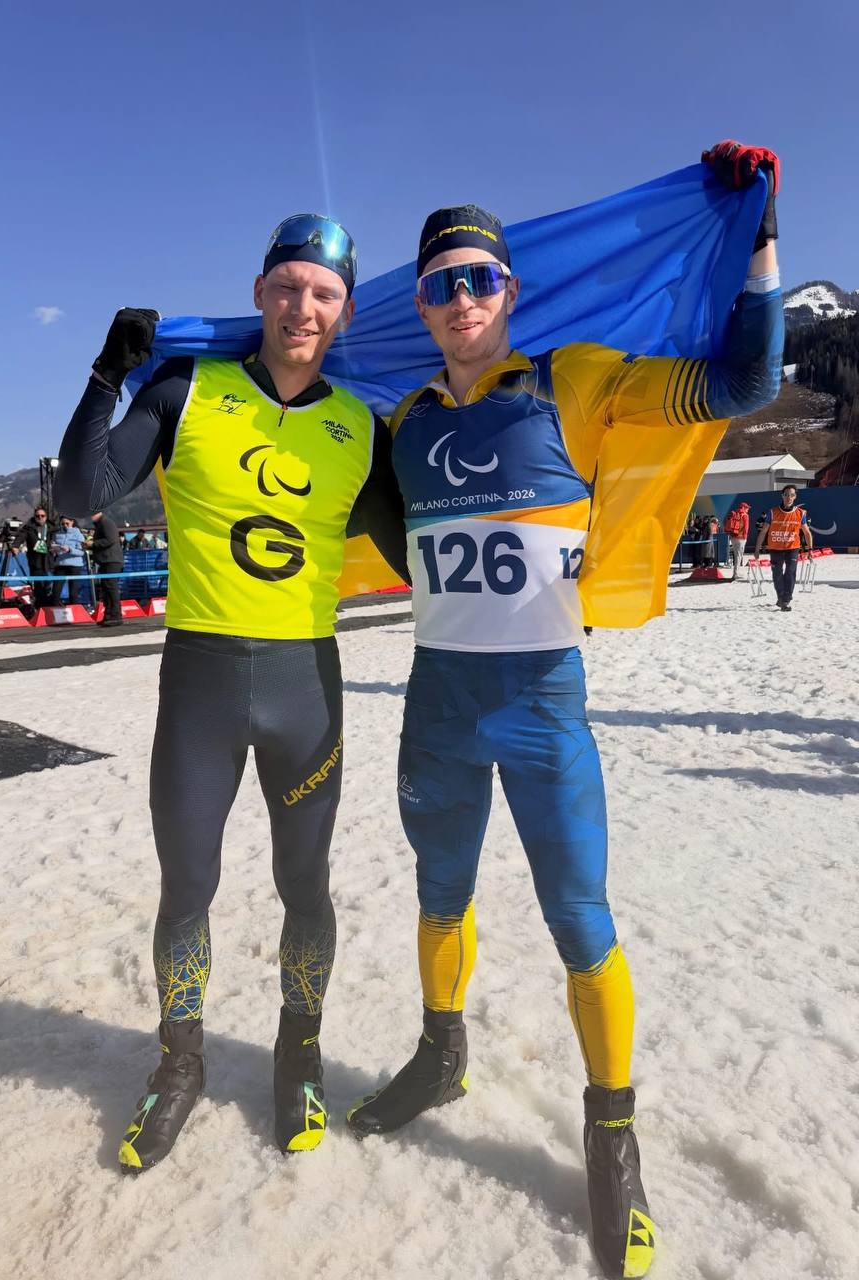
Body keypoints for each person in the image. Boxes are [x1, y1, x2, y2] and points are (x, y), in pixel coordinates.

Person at [345, 141, 783, 1280]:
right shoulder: (398, 420)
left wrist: (759, 240)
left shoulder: (573, 379)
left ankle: (612, 1137)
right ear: (423, 304)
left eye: (479, 278)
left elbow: (743, 388)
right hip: (438, 703)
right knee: (440, 893)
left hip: (543, 702)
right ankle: (442, 1054)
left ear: (511, 290)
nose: (461, 299)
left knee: (580, 918)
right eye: (440, 283)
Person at [55, 213, 407, 1171]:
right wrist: (105, 376)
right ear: (259, 293)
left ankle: (299, 1054)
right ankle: (181, 1062)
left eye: (324, 293)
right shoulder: (186, 388)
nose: (303, 306)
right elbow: (79, 496)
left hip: (308, 692)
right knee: (188, 887)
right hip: (199, 690)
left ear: (344, 312)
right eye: (287, 286)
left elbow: (428, 546)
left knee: (306, 885)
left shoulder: (360, 428)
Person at [754, 484, 812, 610]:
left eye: (792, 495)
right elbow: (763, 531)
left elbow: (807, 532)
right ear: (782, 496)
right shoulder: (772, 512)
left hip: (793, 548)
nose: (789, 497)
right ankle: (780, 597)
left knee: (790, 572)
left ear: (795, 497)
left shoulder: (800, 513)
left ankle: (786, 599)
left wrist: (810, 549)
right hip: (775, 548)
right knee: (777, 573)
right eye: (786, 495)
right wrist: (757, 549)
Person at [11, 505, 57, 608]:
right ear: (34, 517)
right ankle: (40, 607)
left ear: (46, 517)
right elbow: (20, 537)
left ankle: (50, 606)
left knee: (50, 584)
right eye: (37, 516)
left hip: (49, 561)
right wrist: (15, 546)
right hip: (36, 561)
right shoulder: (29, 527)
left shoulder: (52, 527)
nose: (40, 518)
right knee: (39, 587)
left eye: (42, 516)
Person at [88, 512, 124, 625]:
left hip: (111, 560)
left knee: (111, 588)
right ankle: (108, 615)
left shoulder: (106, 523)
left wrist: (93, 544)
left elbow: (110, 539)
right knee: (106, 589)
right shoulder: (101, 524)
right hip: (106, 561)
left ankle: (115, 615)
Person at [50, 515, 87, 605]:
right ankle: (55, 609)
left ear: (72, 522)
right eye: (63, 524)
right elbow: (52, 547)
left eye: (67, 523)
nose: (65, 526)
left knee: (73, 592)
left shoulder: (78, 535)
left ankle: (74, 610)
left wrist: (70, 550)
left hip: (74, 565)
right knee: (56, 591)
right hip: (60, 564)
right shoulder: (57, 534)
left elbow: (81, 552)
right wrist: (54, 549)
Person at [724, 502, 750, 577]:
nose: (748, 509)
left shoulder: (734, 514)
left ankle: (736, 572)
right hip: (741, 538)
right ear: (744, 508)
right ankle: (736, 573)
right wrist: (745, 538)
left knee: (736, 555)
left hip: (733, 537)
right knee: (739, 556)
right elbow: (746, 528)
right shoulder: (745, 515)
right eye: (747, 508)